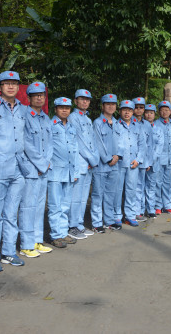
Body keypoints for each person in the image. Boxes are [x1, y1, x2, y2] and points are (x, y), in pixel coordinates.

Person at [0, 71, 28, 272]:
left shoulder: (23, 110)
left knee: (11, 213)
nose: (11, 86)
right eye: (6, 83)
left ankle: (9, 251)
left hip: (18, 169)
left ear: (18, 87)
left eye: (14, 83)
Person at [19, 82, 54, 258]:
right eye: (36, 95)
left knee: (40, 206)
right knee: (28, 206)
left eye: (42, 95)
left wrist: (46, 163)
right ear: (29, 98)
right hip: (31, 169)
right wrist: (40, 164)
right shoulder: (24, 115)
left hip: (44, 169)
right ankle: (26, 244)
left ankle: (36, 240)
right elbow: (25, 143)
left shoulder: (46, 118)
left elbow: (50, 144)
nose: (40, 98)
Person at [46, 97, 80, 248]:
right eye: (61, 107)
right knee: (55, 205)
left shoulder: (71, 127)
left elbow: (75, 149)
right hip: (55, 172)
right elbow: (46, 147)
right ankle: (55, 235)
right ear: (56, 109)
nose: (65, 110)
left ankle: (63, 232)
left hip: (69, 172)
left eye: (67, 107)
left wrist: (76, 171)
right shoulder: (50, 125)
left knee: (65, 205)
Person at [68, 89, 99, 240]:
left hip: (89, 164)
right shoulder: (73, 117)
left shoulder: (88, 119)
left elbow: (92, 142)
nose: (85, 101)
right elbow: (79, 142)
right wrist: (92, 160)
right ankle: (72, 225)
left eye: (87, 99)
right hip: (80, 163)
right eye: (82, 99)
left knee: (83, 197)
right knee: (75, 196)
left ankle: (79, 224)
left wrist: (93, 160)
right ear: (75, 101)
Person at [92, 94, 122, 232]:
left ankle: (109, 221)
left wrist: (117, 156)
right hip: (102, 165)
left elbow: (122, 142)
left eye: (113, 104)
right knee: (98, 194)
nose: (111, 106)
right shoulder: (97, 123)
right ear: (103, 106)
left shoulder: (117, 123)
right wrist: (108, 158)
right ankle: (97, 223)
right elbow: (98, 143)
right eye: (108, 104)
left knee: (111, 193)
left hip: (115, 165)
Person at [115, 100, 145, 226]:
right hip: (119, 164)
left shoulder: (138, 126)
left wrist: (138, 159)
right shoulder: (115, 125)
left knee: (131, 190)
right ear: (120, 111)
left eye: (130, 110)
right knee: (117, 190)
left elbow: (142, 145)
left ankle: (130, 215)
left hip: (133, 164)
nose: (127, 112)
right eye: (124, 109)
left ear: (133, 112)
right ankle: (116, 216)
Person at [153, 100, 171, 214]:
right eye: (162, 110)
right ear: (159, 112)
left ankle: (168, 205)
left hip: (170, 159)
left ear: (170, 111)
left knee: (168, 183)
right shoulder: (155, 124)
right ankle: (158, 206)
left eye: (166, 110)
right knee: (158, 182)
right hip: (159, 159)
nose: (164, 112)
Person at [131, 97, 149, 221]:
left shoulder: (147, 124)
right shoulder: (128, 122)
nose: (138, 110)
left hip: (142, 161)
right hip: (131, 162)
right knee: (132, 188)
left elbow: (150, 145)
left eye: (141, 107)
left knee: (140, 187)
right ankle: (133, 211)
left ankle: (139, 211)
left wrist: (148, 162)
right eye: (136, 107)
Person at [143, 103, 159, 218]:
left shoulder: (158, 128)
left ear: (154, 114)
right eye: (147, 112)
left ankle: (151, 209)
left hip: (153, 163)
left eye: (151, 113)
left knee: (151, 186)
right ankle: (139, 210)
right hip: (142, 162)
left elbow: (159, 146)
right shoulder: (139, 126)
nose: (149, 115)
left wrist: (151, 161)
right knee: (140, 186)